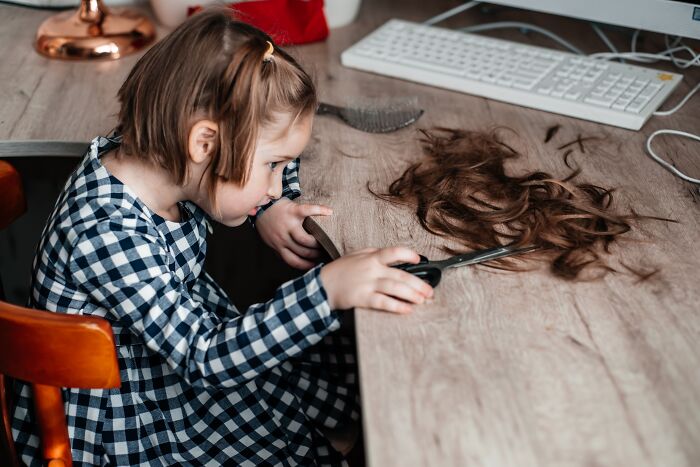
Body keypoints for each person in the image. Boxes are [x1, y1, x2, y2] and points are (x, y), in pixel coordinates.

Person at [11, 7, 433, 467]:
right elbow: (204, 357)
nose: (278, 180)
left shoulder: (161, 155)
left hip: (177, 349)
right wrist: (326, 291)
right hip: (133, 414)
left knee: (337, 370)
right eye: (271, 167)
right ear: (205, 144)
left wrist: (269, 206)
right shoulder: (105, 230)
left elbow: (261, 141)